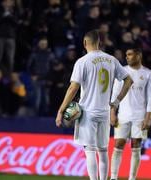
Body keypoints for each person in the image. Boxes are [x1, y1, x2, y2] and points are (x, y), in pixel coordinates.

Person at [55, 30, 133, 180]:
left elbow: (73, 88)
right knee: (103, 151)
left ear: (85, 43)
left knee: (90, 150)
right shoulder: (111, 60)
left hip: (88, 112)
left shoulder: (83, 61)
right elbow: (128, 80)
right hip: (104, 112)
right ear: (99, 43)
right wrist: (116, 102)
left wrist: (61, 110)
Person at [110, 47, 151, 180]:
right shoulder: (122, 72)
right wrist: (112, 112)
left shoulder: (148, 74)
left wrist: (148, 117)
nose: (127, 57)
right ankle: (113, 177)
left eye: (130, 54)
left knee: (136, 145)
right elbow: (115, 94)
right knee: (118, 144)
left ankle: (132, 178)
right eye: (126, 54)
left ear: (138, 56)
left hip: (140, 116)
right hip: (123, 115)